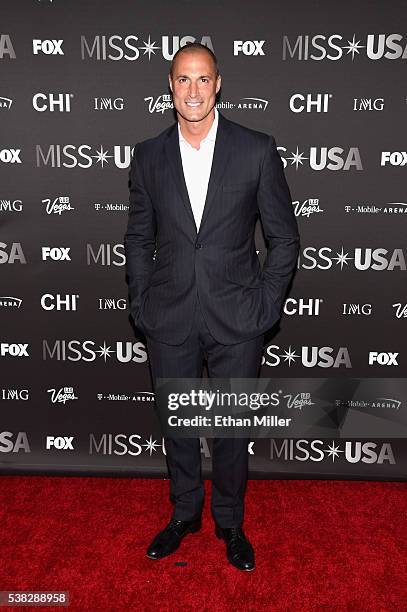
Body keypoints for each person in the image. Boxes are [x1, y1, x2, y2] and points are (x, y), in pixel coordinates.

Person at [124, 42, 300, 571]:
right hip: (169, 314)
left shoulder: (256, 149)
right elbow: (138, 236)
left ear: (218, 84)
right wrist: (141, 299)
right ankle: (184, 513)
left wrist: (264, 306)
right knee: (177, 423)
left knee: (231, 430)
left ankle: (229, 520)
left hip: (238, 316)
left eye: (203, 79)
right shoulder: (149, 155)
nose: (193, 90)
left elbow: (284, 238)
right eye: (183, 80)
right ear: (170, 86)